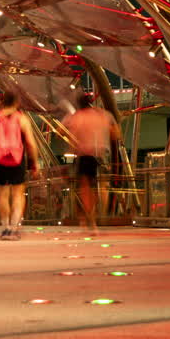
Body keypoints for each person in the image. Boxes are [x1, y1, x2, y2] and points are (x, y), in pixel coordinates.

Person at [0, 91, 41, 240]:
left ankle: (6, 228)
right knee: (18, 194)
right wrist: (35, 162)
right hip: (17, 159)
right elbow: (30, 143)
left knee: (2, 195)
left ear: (2, 102)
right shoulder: (22, 119)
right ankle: (14, 228)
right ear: (16, 103)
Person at [63, 92, 119, 233]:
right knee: (102, 186)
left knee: (85, 188)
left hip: (84, 156)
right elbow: (116, 134)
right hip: (101, 155)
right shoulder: (103, 115)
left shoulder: (76, 117)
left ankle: (90, 218)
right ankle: (102, 213)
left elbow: (62, 131)